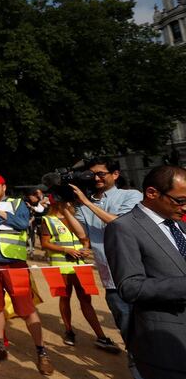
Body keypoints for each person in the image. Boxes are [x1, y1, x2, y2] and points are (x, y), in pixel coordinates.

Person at [0, 173, 53, 375]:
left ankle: (41, 352)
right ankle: (0, 348)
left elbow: (23, 224)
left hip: (14, 264)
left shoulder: (16, 203)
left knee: (26, 309)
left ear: (4, 187)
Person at [106, 165, 186, 379]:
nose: (185, 207)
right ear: (152, 193)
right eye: (180, 200)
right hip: (167, 342)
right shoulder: (124, 228)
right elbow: (130, 287)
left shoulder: (179, 224)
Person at [71, 157, 143, 377]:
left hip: (140, 277)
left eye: (101, 173)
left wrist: (86, 203)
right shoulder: (86, 202)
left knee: (152, 332)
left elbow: (119, 223)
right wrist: (63, 206)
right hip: (112, 281)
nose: (96, 178)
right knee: (130, 336)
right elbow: (82, 235)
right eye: (92, 174)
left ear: (115, 174)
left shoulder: (131, 196)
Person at [39, 202, 120, 352]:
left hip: (80, 265)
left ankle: (101, 336)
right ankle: (69, 331)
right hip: (60, 265)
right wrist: (65, 250)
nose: (68, 202)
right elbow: (45, 243)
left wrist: (86, 249)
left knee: (86, 300)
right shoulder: (48, 219)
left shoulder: (78, 218)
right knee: (65, 298)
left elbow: (85, 240)